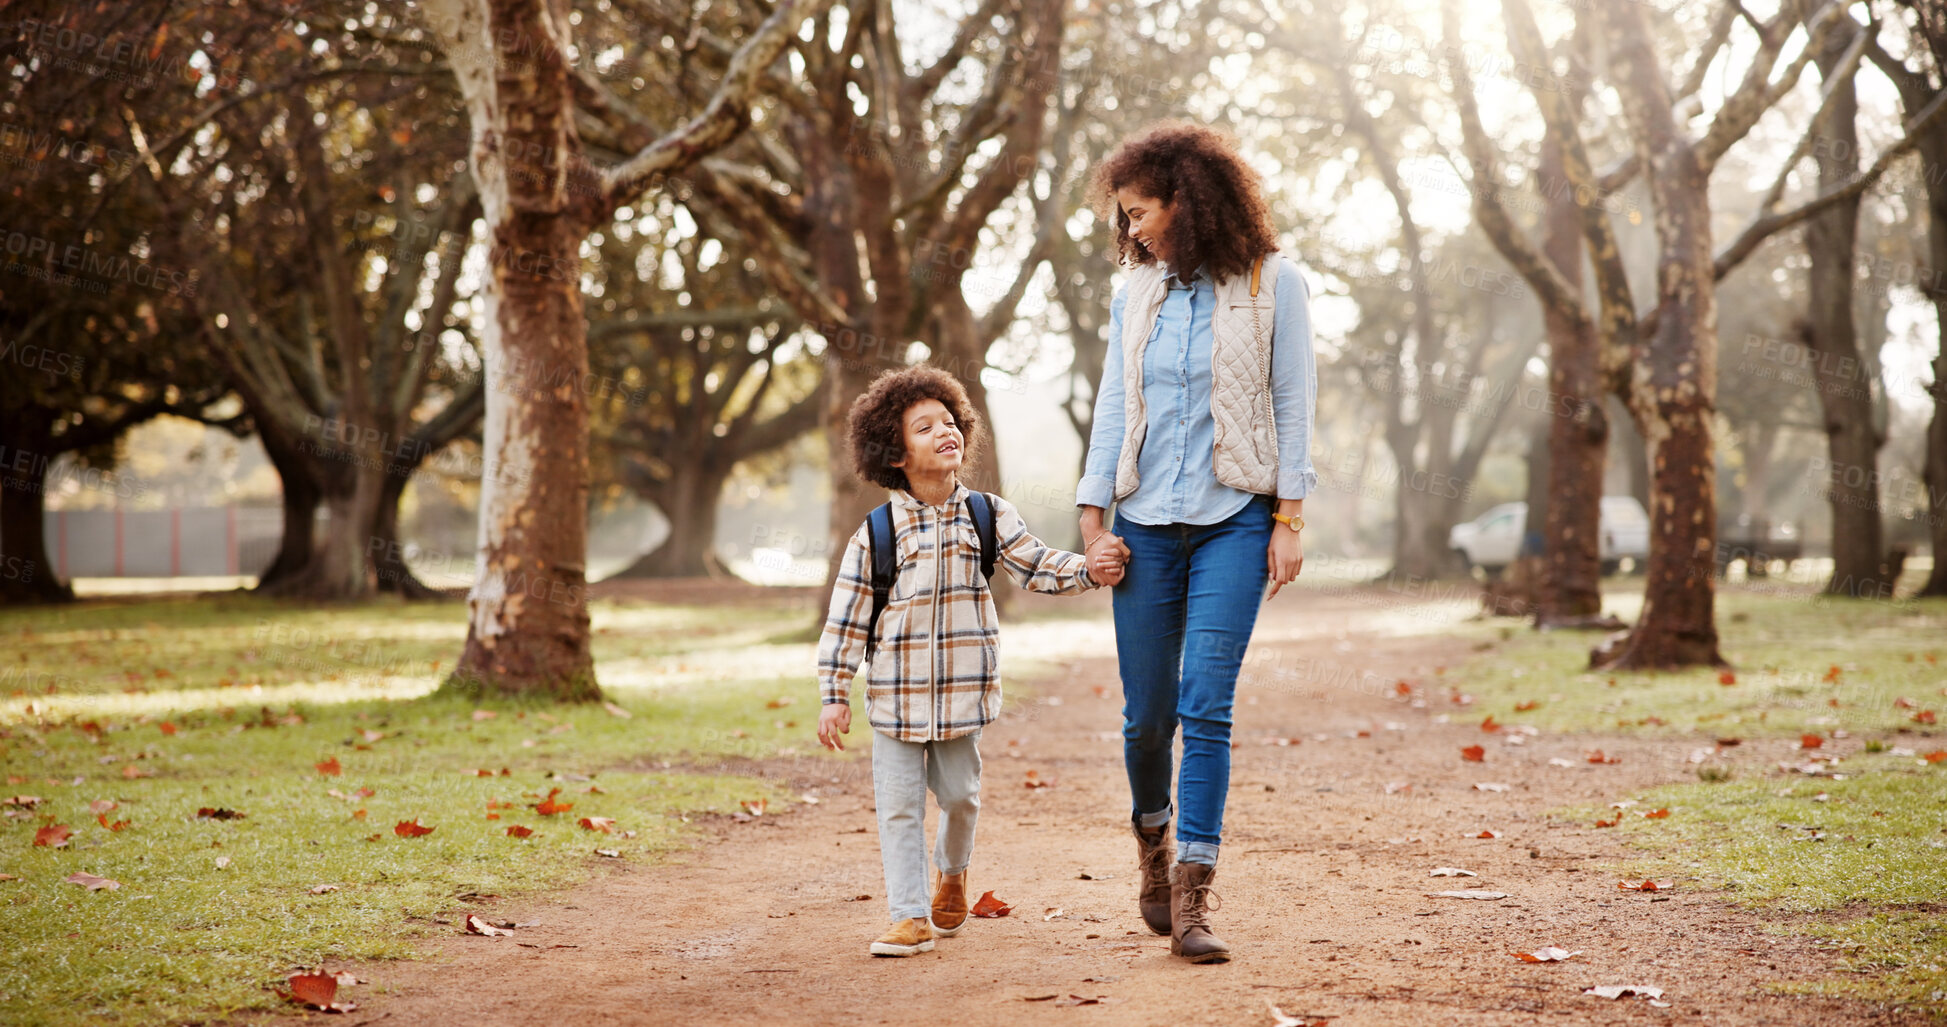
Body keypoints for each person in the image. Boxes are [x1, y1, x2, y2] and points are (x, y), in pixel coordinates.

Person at [1075, 121, 1318, 964]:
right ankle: (1152, 840)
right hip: (1142, 524)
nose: (1130, 228)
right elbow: (1114, 400)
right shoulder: (1131, 290)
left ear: (1186, 200)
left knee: (1203, 705)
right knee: (1145, 720)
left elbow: (1293, 402)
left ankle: (1191, 892)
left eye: (1139, 211)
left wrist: (1288, 519)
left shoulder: (1272, 281)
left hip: (1235, 521)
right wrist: (1091, 511)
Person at [816, 365, 1128, 957]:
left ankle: (952, 872)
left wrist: (1091, 567)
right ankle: (908, 916)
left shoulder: (986, 515)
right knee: (900, 810)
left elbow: (1035, 564)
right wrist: (834, 692)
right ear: (895, 453)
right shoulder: (878, 532)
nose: (945, 431)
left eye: (950, 421)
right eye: (924, 426)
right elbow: (848, 616)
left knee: (961, 798)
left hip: (963, 697)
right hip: (895, 699)